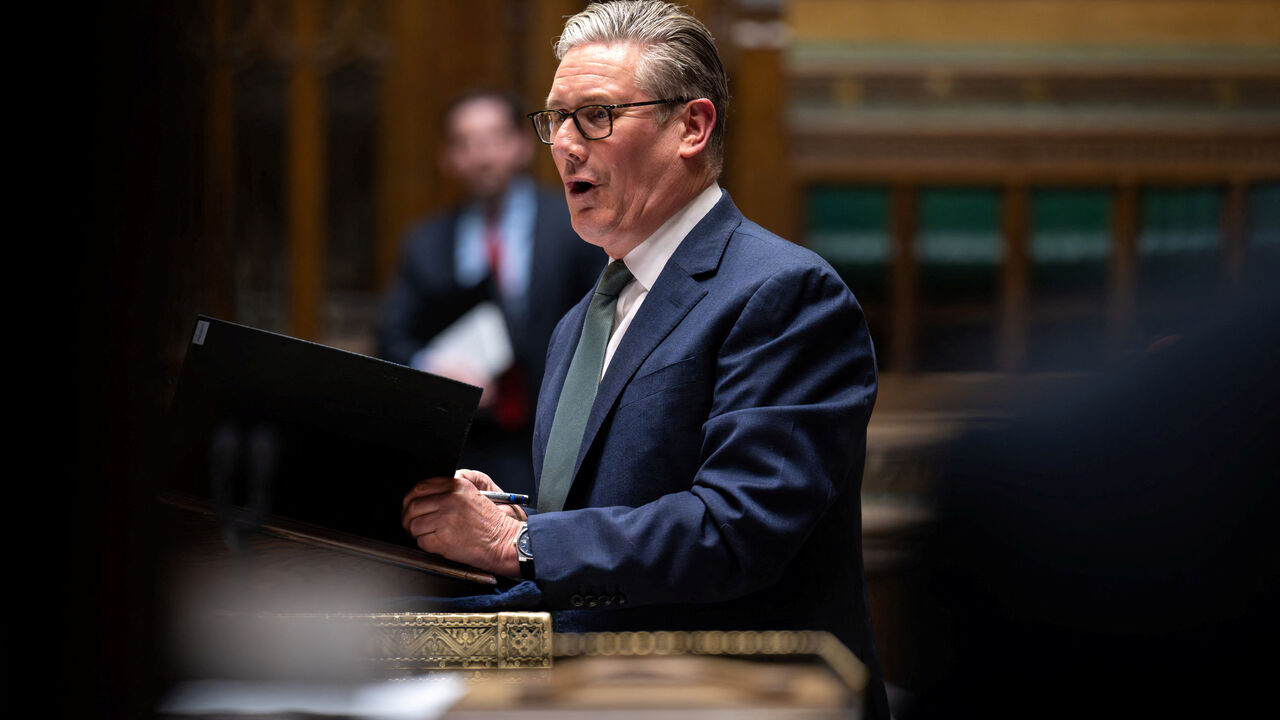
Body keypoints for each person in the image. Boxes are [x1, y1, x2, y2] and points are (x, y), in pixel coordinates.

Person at [400, 3, 891, 718]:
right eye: (554, 119)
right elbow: (608, 523)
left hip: (742, 698)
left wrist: (519, 538)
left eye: (595, 115)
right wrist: (492, 518)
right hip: (596, 689)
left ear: (692, 126)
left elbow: (734, 530)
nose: (565, 145)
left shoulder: (782, 292)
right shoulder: (583, 318)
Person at [378, 89, 603, 497]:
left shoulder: (576, 226)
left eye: (495, 139)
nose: (482, 157)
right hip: (462, 440)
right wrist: (432, 365)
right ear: (448, 158)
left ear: (521, 145)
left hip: (553, 437)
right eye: (466, 144)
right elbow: (391, 338)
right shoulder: (427, 243)